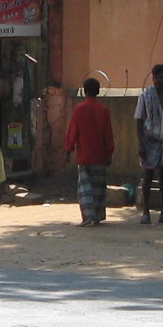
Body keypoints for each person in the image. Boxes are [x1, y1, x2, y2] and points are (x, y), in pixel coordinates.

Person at [134, 64, 163, 225]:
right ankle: (146, 212)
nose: (159, 80)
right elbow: (139, 120)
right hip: (150, 140)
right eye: (156, 77)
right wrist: (140, 143)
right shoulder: (145, 97)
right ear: (152, 78)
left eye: (162, 77)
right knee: (147, 175)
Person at [65, 76, 115, 226]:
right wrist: (109, 153)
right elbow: (108, 134)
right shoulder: (104, 110)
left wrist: (68, 150)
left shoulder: (79, 109)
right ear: (98, 91)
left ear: (84, 91)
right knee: (99, 187)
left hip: (84, 155)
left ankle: (88, 216)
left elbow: (73, 131)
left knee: (85, 188)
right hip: (100, 155)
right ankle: (98, 215)